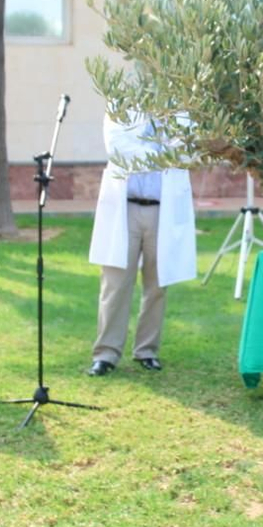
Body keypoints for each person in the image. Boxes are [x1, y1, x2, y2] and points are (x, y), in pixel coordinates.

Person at [87, 111, 197, 376]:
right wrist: (161, 150)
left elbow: (185, 154)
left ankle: (147, 350)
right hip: (124, 209)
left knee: (157, 284)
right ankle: (106, 354)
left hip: (163, 211)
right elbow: (119, 150)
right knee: (115, 283)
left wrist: (151, 149)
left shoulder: (182, 113)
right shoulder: (119, 108)